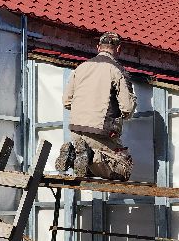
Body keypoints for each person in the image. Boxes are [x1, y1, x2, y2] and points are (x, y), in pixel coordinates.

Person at [56, 32, 136, 180]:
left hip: (76, 130)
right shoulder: (117, 71)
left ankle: (74, 155)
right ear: (118, 49)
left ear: (98, 47)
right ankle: (90, 155)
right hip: (102, 132)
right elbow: (128, 108)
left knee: (84, 165)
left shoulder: (80, 68)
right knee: (123, 169)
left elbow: (66, 101)